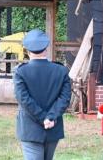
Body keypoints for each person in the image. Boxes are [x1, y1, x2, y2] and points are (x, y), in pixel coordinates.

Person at [13, 29, 71, 160]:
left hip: (30, 129)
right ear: (46, 48)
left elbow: (24, 100)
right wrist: (50, 118)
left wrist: (43, 118)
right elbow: (65, 98)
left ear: (27, 51)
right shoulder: (61, 71)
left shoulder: (20, 72)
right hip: (52, 127)